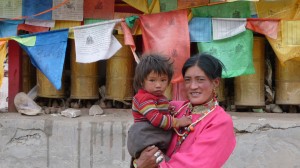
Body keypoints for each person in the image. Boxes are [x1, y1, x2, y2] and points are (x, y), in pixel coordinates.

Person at [133, 53, 236, 168]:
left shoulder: (219, 122)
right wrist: (138, 163)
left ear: (215, 82)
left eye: (200, 80)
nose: (192, 86)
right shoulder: (173, 108)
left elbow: (196, 165)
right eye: (187, 80)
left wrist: (144, 164)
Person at [127, 54, 193, 165]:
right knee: (165, 162)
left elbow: (160, 110)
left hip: (153, 139)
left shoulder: (159, 98)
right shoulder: (143, 98)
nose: (158, 85)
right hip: (144, 138)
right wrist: (178, 122)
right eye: (152, 80)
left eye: (163, 80)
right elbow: (156, 119)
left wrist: (168, 109)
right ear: (142, 81)